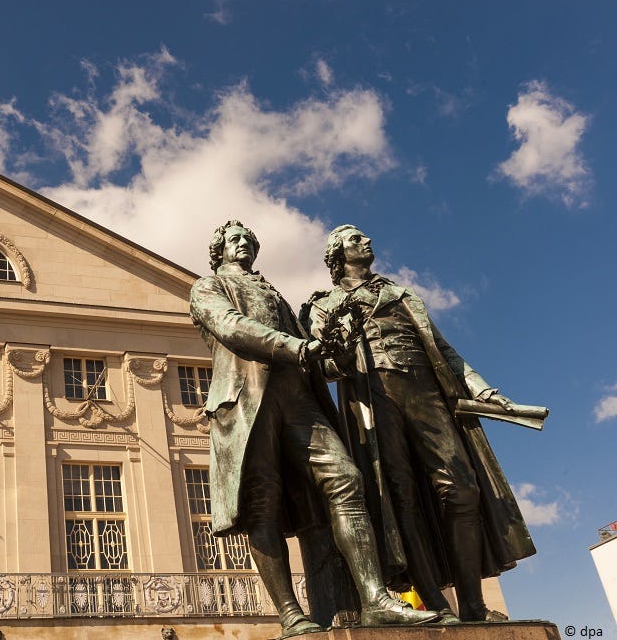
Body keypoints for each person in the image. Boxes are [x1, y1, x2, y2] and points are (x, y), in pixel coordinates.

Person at [189, 220, 437, 637]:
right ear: (220, 252)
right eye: (235, 241)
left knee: (346, 479)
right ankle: (290, 614)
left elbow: (316, 357)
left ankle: (376, 600)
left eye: (249, 240)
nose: (244, 245)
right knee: (261, 504)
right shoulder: (207, 288)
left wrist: (335, 356)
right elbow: (233, 327)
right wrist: (298, 348)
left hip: (300, 399)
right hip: (246, 401)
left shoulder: (275, 294)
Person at [304, 224, 536, 623]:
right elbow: (323, 365)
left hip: (427, 391)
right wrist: (337, 343)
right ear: (337, 254)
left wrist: (481, 389)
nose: (368, 241)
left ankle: (473, 602)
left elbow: (444, 349)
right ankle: (436, 604)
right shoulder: (323, 303)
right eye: (356, 239)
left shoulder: (401, 293)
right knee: (400, 497)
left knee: (463, 489)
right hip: (374, 399)